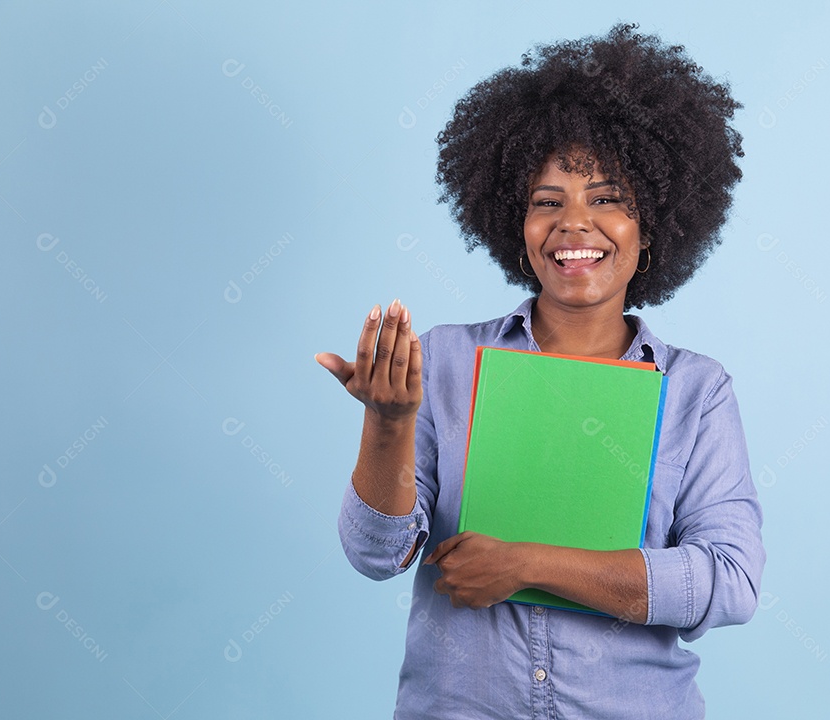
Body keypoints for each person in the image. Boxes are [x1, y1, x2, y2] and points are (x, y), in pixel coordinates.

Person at [315, 23, 765, 719]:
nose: (574, 224)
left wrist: (526, 565)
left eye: (607, 199)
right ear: (513, 222)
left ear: (653, 225)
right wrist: (388, 423)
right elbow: (376, 554)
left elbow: (729, 581)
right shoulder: (444, 363)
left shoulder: (696, 393)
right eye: (546, 201)